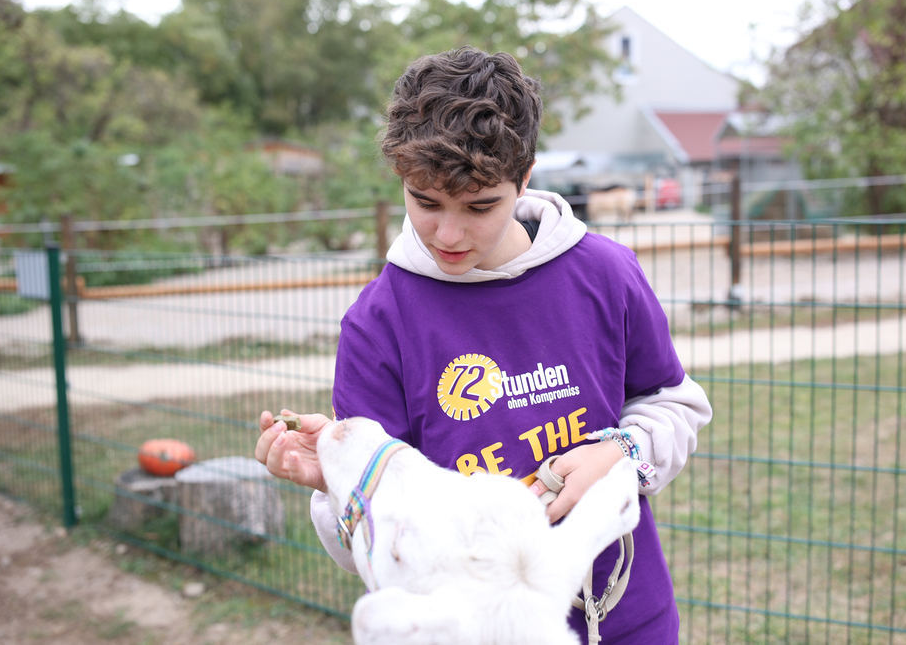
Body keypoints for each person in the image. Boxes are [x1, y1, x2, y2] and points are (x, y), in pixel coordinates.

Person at [255, 46, 713, 644]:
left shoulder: (605, 274)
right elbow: (375, 551)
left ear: (525, 178)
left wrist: (620, 453)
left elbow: (674, 405)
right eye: (425, 202)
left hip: (628, 620)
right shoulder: (378, 323)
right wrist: (345, 481)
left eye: (479, 206)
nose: (448, 233)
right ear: (401, 178)